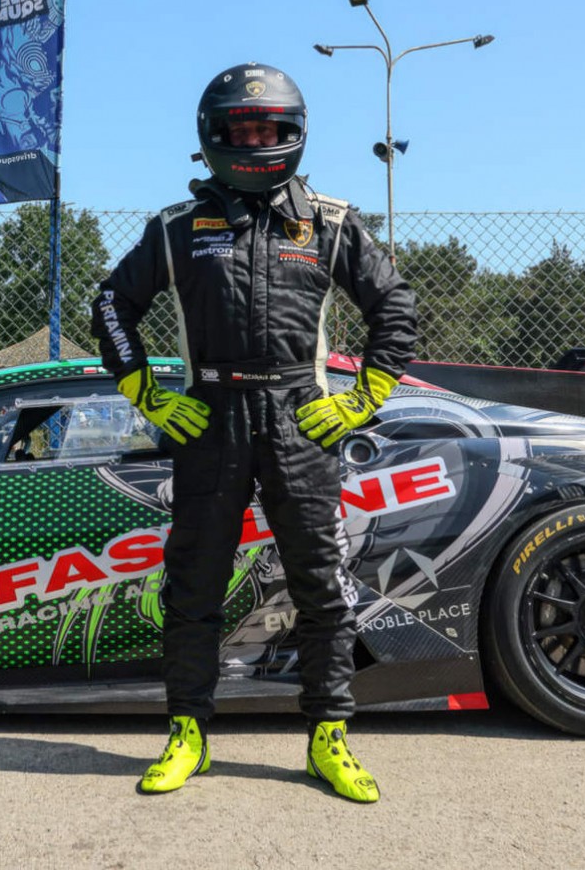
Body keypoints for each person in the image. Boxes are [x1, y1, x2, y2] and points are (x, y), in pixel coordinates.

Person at [89, 62, 419, 803]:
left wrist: (361, 397)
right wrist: (144, 390)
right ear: (212, 137)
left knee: (321, 586)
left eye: (269, 129)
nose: (255, 140)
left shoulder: (330, 221)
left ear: (294, 134)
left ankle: (327, 738)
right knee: (193, 585)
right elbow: (112, 304)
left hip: (302, 420)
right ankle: (187, 735)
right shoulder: (175, 228)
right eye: (241, 129)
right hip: (208, 418)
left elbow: (394, 307)